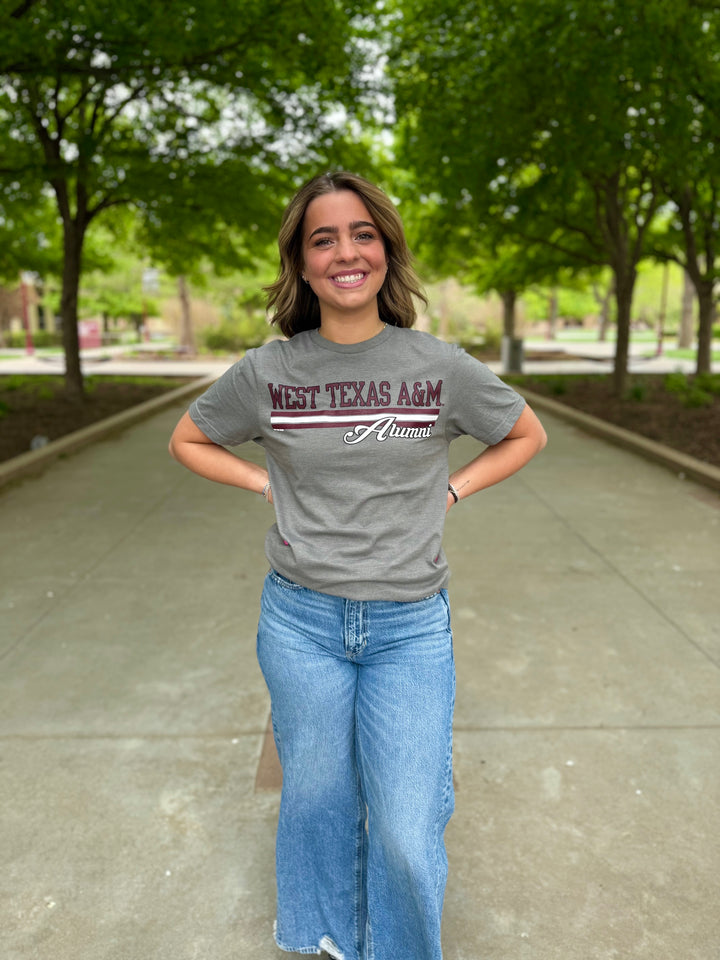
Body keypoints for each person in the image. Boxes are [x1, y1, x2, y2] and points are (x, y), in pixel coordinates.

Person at [169, 171, 547, 960]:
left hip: (409, 628)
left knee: (407, 826)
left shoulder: (438, 366)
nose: (346, 252)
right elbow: (189, 439)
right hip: (300, 623)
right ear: (302, 265)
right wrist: (263, 481)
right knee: (317, 801)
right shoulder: (269, 372)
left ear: (387, 251)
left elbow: (524, 434)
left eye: (362, 234)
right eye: (324, 239)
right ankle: (331, 940)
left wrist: (453, 488)